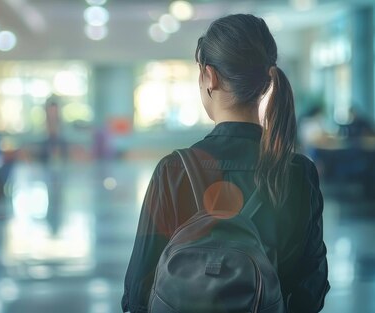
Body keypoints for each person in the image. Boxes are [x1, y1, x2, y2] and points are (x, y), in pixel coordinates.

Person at [122, 14, 329, 313]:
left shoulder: (173, 170)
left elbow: (136, 293)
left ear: (210, 77)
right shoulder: (298, 172)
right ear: (265, 81)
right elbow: (313, 290)